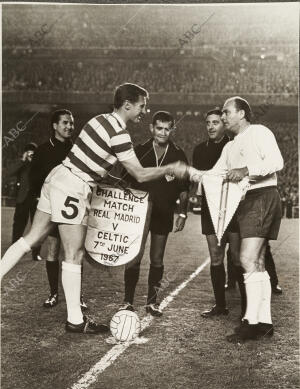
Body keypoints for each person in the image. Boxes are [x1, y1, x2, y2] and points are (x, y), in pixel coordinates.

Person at [1, 83, 188, 335]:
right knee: (74, 254)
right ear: (128, 105)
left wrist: (113, 181)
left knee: (30, 238)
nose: (145, 110)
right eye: (142, 106)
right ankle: (76, 321)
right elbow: (141, 174)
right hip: (74, 187)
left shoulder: (98, 120)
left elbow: (91, 161)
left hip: (59, 177)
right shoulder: (120, 134)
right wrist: (169, 168)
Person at [189, 96, 283, 342]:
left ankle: (250, 323)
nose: (223, 117)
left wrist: (246, 170)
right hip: (247, 201)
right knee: (258, 262)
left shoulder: (259, 132)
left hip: (261, 196)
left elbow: (277, 162)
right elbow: (215, 175)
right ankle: (264, 322)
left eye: (227, 112)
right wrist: (188, 172)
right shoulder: (230, 147)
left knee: (246, 259)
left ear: (242, 113)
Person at [120, 111, 189, 316]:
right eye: (159, 128)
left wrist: (183, 213)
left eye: (167, 128)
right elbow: (125, 181)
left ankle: (152, 302)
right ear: (152, 128)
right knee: (134, 256)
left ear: (172, 130)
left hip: (163, 211)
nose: (163, 132)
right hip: (138, 212)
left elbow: (184, 188)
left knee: (157, 258)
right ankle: (127, 301)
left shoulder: (178, 154)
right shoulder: (139, 150)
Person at [30, 109, 88, 309]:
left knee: (75, 253)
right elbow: (34, 180)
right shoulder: (43, 150)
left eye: (71, 123)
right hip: (53, 209)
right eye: (65, 123)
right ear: (54, 125)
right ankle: (54, 294)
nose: (69, 127)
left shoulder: (77, 150)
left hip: (74, 210)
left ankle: (78, 296)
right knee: (53, 251)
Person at [192, 108, 246, 318]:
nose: (211, 126)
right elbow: (199, 180)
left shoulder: (233, 147)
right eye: (208, 123)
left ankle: (247, 310)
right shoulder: (199, 150)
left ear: (224, 124)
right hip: (210, 209)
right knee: (216, 257)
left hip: (232, 208)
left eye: (216, 122)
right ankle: (220, 306)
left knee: (237, 258)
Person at [5, 143, 42, 261]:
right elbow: (8, 172)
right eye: (28, 152)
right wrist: (22, 160)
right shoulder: (22, 164)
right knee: (18, 227)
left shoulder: (39, 165)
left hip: (36, 199)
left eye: (33, 152)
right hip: (23, 199)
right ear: (25, 153)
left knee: (37, 227)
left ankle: (36, 253)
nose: (31, 154)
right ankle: (14, 252)